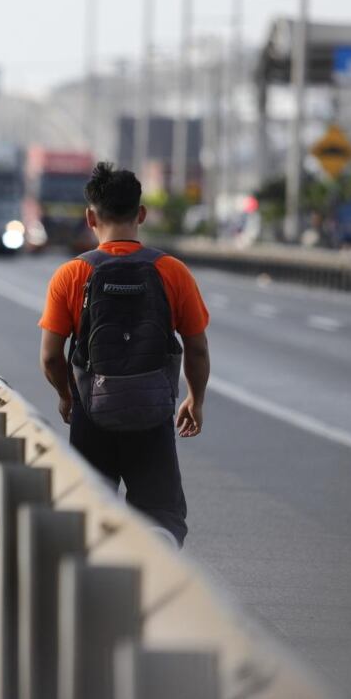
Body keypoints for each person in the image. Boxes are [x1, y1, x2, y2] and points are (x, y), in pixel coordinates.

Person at [37, 163, 210, 547]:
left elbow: (51, 357)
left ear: (89, 217)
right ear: (142, 214)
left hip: (91, 412)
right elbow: (196, 347)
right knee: (161, 513)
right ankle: (154, 574)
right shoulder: (172, 271)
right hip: (152, 413)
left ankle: (96, 591)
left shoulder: (71, 274)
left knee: (88, 514)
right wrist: (195, 400)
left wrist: (68, 397)